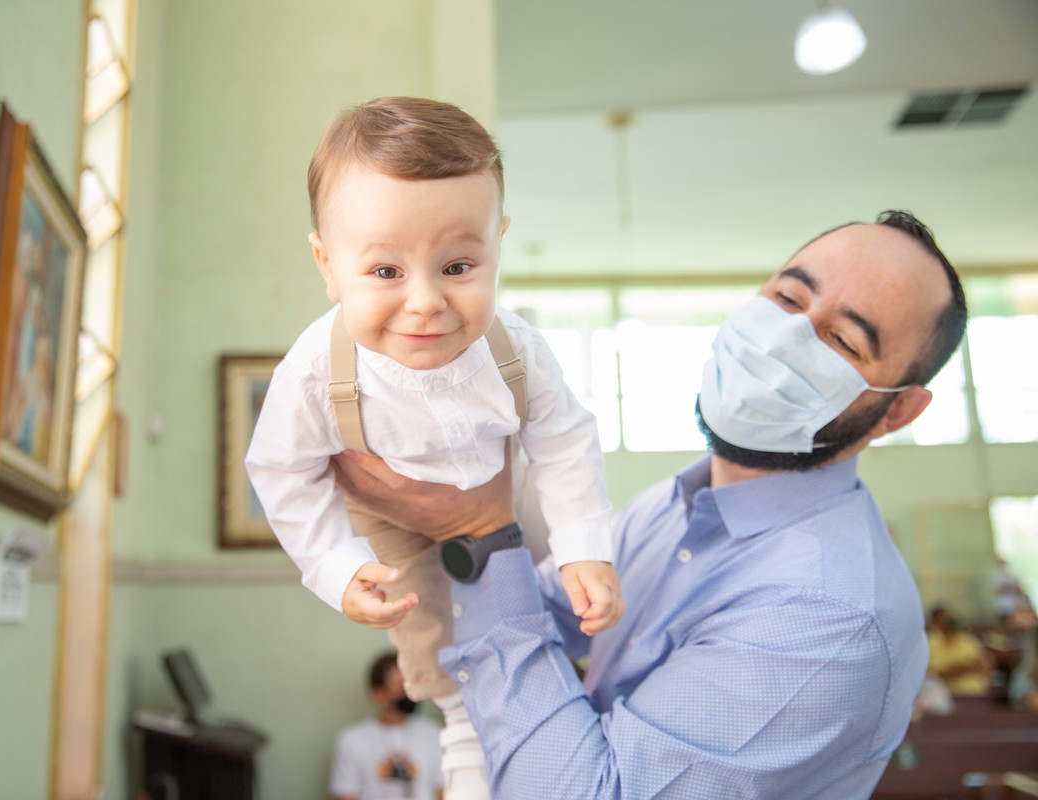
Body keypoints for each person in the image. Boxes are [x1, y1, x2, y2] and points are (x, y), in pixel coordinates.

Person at [333, 210, 969, 799]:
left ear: (899, 409)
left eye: (844, 340)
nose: (786, 338)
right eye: (787, 298)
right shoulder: (676, 505)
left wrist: (483, 531)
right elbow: (543, 610)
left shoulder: (830, 614)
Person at [244, 97, 623, 794]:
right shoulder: (312, 373)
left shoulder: (517, 350)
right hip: (397, 532)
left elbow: (565, 439)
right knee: (449, 672)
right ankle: (470, 770)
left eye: (457, 267)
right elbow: (282, 471)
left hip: (511, 500)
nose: (425, 301)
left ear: (497, 244)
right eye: (386, 272)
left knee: (551, 630)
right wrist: (334, 565)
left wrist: (583, 544)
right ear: (328, 265)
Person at [330, 652, 444, 800]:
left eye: (410, 685)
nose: (408, 694)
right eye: (400, 687)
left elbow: (443, 790)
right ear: (378, 694)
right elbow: (345, 794)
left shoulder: (433, 734)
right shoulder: (351, 740)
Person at [926, 604, 994, 696]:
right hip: (945, 697)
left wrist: (958, 668)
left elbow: (985, 664)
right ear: (936, 621)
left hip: (976, 694)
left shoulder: (966, 639)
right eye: (945, 618)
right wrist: (969, 667)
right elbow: (939, 674)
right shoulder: (930, 642)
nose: (950, 621)